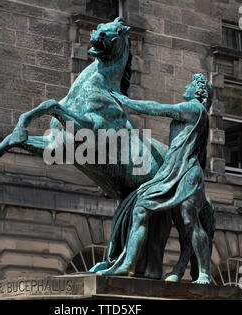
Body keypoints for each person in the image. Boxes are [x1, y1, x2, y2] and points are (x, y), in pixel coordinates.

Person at [92, 74, 214, 284]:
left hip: (187, 173)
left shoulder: (194, 108)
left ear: (198, 92)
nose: (186, 86)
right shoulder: (193, 113)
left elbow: (157, 108)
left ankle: (204, 273)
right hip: (170, 173)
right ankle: (128, 264)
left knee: (189, 221)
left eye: (191, 84)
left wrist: (127, 102)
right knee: (141, 208)